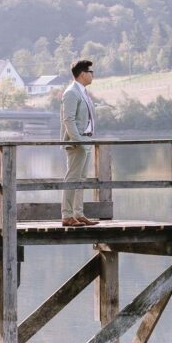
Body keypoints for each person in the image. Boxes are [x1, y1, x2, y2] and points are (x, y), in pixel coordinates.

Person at [60, 59, 99, 227]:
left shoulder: (83, 92)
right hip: (77, 142)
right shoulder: (71, 92)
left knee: (81, 179)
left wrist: (86, 141)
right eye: (91, 72)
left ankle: (78, 213)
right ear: (83, 74)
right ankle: (67, 216)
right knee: (73, 178)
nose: (93, 75)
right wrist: (79, 141)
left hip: (86, 139)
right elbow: (68, 120)